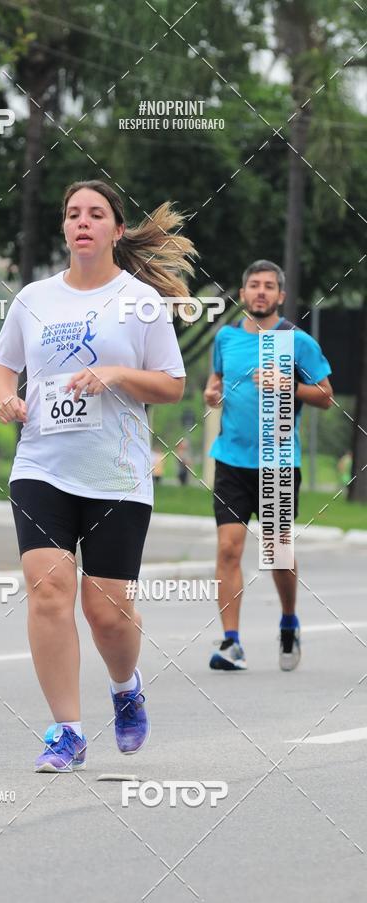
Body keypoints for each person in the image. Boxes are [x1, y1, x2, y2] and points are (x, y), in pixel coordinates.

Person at [0, 179, 195, 772]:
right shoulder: (34, 298)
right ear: (65, 229)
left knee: (106, 612)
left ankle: (126, 687)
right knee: (48, 590)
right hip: (40, 467)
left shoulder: (140, 302)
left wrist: (116, 375)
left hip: (116, 475)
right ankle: (67, 731)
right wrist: (6, 398)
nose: (83, 222)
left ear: (116, 229)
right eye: (73, 213)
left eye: (96, 214)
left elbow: (173, 383)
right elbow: (2, 365)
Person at [204, 260, 333, 673]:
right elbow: (217, 380)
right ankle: (231, 643)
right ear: (242, 294)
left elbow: (325, 395)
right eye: (254, 285)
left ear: (280, 296)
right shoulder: (225, 338)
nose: (261, 292)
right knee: (228, 548)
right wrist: (211, 390)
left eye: (269, 286)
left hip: (277, 460)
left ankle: (289, 620)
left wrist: (289, 385)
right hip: (231, 459)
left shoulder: (295, 341)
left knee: (277, 554)